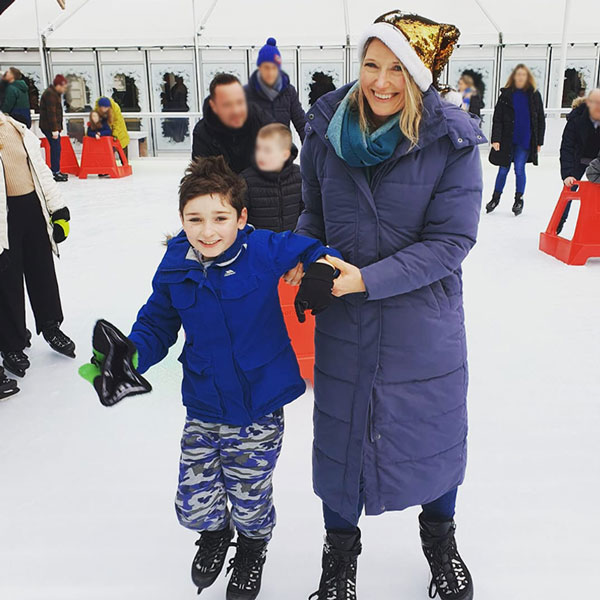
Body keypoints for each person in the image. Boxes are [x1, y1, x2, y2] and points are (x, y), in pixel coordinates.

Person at [79, 155, 341, 599]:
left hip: (258, 403)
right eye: (194, 218)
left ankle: (252, 547)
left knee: (249, 491)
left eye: (220, 217)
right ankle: (216, 532)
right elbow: (158, 322)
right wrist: (131, 356)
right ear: (181, 219)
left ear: (241, 217)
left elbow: (319, 250)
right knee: (194, 492)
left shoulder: (262, 250)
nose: (208, 230)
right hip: (204, 399)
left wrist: (317, 267)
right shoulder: (175, 264)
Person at [290, 11, 484, 600]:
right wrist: (316, 257)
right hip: (345, 324)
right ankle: (339, 560)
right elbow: (312, 213)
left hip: (419, 323)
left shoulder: (450, 139)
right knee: (342, 439)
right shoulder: (326, 130)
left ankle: (440, 541)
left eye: (397, 68)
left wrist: (364, 281)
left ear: (419, 75)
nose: (380, 81)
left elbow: (452, 242)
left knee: (431, 433)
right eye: (371, 64)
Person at [0, 111, 75, 379]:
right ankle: (12, 344)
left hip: (32, 208)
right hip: (3, 217)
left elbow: (41, 172)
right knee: (7, 281)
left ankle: (51, 325)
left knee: (42, 271)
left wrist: (59, 211)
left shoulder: (16, 128)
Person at [487, 64, 546, 216]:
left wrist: (539, 141)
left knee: (519, 169)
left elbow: (540, 119)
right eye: (517, 74)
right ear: (513, 77)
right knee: (503, 170)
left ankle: (518, 200)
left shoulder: (534, 95)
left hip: (525, 139)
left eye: (523, 75)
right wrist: (496, 139)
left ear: (527, 78)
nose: (520, 77)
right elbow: (497, 119)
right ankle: (495, 198)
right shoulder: (506, 95)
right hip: (507, 139)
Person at [192, 73, 273, 173]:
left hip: (259, 186)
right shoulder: (203, 132)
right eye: (227, 105)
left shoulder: (261, 119)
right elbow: (202, 176)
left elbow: (286, 151)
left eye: (239, 102)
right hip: (223, 187)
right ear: (214, 106)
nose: (236, 111)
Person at [241, 123, 303, 232]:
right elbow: (239, 217)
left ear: (285, 154)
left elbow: (307, 211)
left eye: (267, 151)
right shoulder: (246, 180)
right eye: (259, 149)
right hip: (259, 245)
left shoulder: (299, 176)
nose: (261, 155)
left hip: (291, 243)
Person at [244, 37, 307, 142]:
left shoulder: (289, 92)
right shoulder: (248, 94)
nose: (270, 72)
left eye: (274, 68)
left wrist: (310, 151)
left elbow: (301, 123)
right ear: (260, 68)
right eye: (266, 67)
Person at [558, 88, 600, 232]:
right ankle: (558, 223)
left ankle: (594, 230)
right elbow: (567, 148)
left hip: (598, 162)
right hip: (578, 160)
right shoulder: (576, 121)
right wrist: (567, 174)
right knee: (569, 191)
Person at [39, 74, 69, 182]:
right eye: (64, 86)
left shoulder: (54, 93)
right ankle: (55, 172)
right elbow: (51, 113)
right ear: (58, 85)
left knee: (56, 148)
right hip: (49, 126)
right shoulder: (50, 94)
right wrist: (54, 130)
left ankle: (56, 170)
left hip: (50, 126)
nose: (64, 89)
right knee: (56, 148)